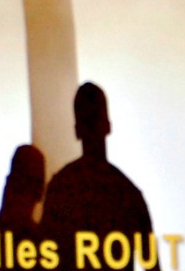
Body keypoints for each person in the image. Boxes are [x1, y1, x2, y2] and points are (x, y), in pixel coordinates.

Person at [39, 84, 154, 258]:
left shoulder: (60, 187)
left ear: (77, 131)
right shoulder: (128, 194)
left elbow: (44, 256)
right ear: (108, 126)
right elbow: (152, 263)